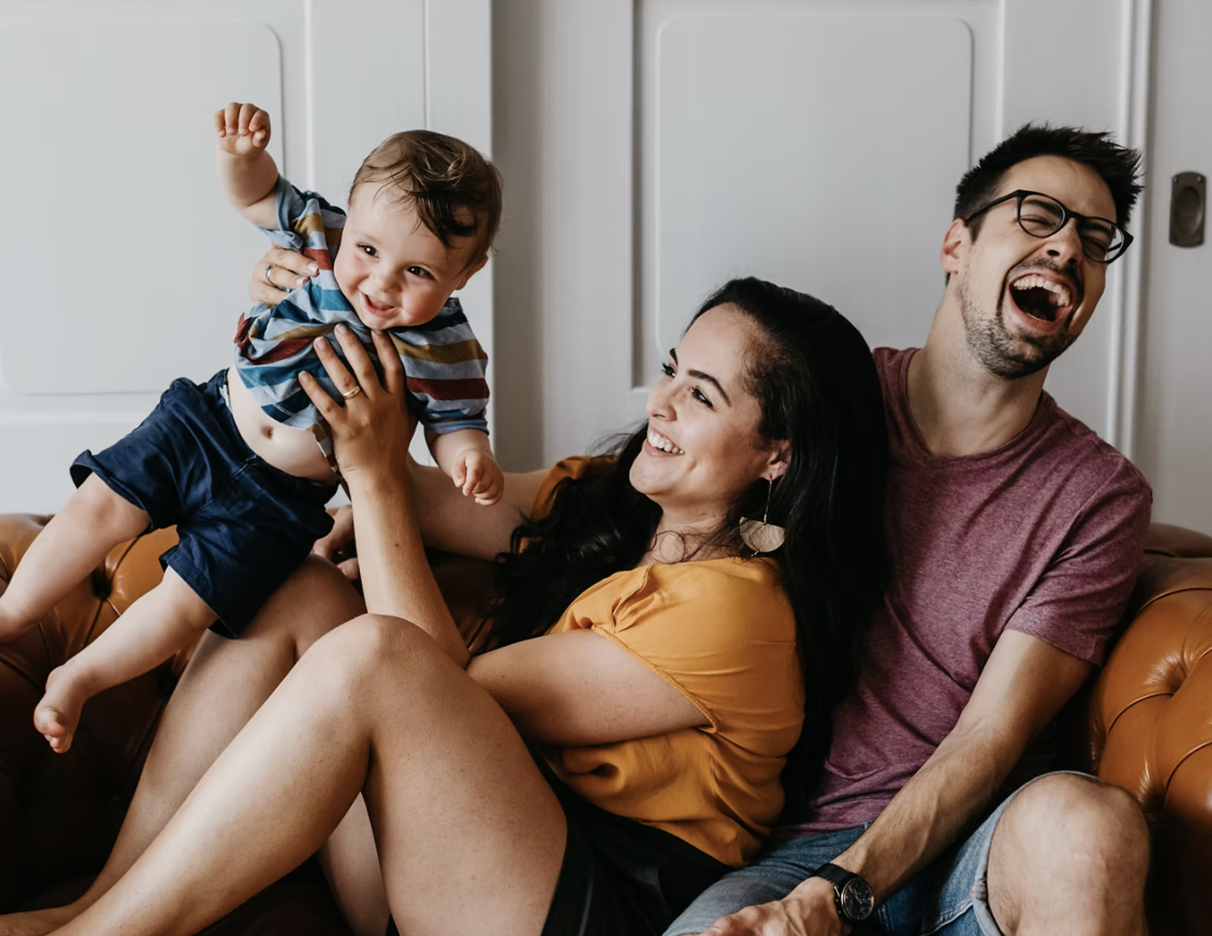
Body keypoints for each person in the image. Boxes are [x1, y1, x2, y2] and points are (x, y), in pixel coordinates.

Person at [0, 278, 890, 936]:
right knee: (294, 579)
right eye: (671, 369)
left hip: (580, 904)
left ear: (779, 455)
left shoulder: (741, 613)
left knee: (381, 658)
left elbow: (441, 684)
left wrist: (377, 474)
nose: (657, 403)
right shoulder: (613, 501)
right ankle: (103, 901)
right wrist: (324, 323)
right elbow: (423, 488)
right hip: (444, 861)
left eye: (701, 395)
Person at [665, 125, 1153, 936]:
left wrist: (839, 894)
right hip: (781, 854)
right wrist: (384, 481)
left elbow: (991, 734)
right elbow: (620, 481)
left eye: (1095, 240)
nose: (1068, 247)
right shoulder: (832, 398)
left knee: (1085, 827)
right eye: (1038, 216)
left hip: (973, 854)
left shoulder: (1097, 497)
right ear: (955, 244)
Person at [0, 102, 503, 755]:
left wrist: (470, 455)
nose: (380, 282)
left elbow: (456, 417)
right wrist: (240, 159)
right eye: (369, 249)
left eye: (419, 272)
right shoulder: (322, 235)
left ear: (466, 274)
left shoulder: (447, 346)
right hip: (206, 424)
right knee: (99, 505)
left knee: (187, 601)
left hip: (279, 502)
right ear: (348, 215)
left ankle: (79, 677)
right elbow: (261, 196)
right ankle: (13, 612)